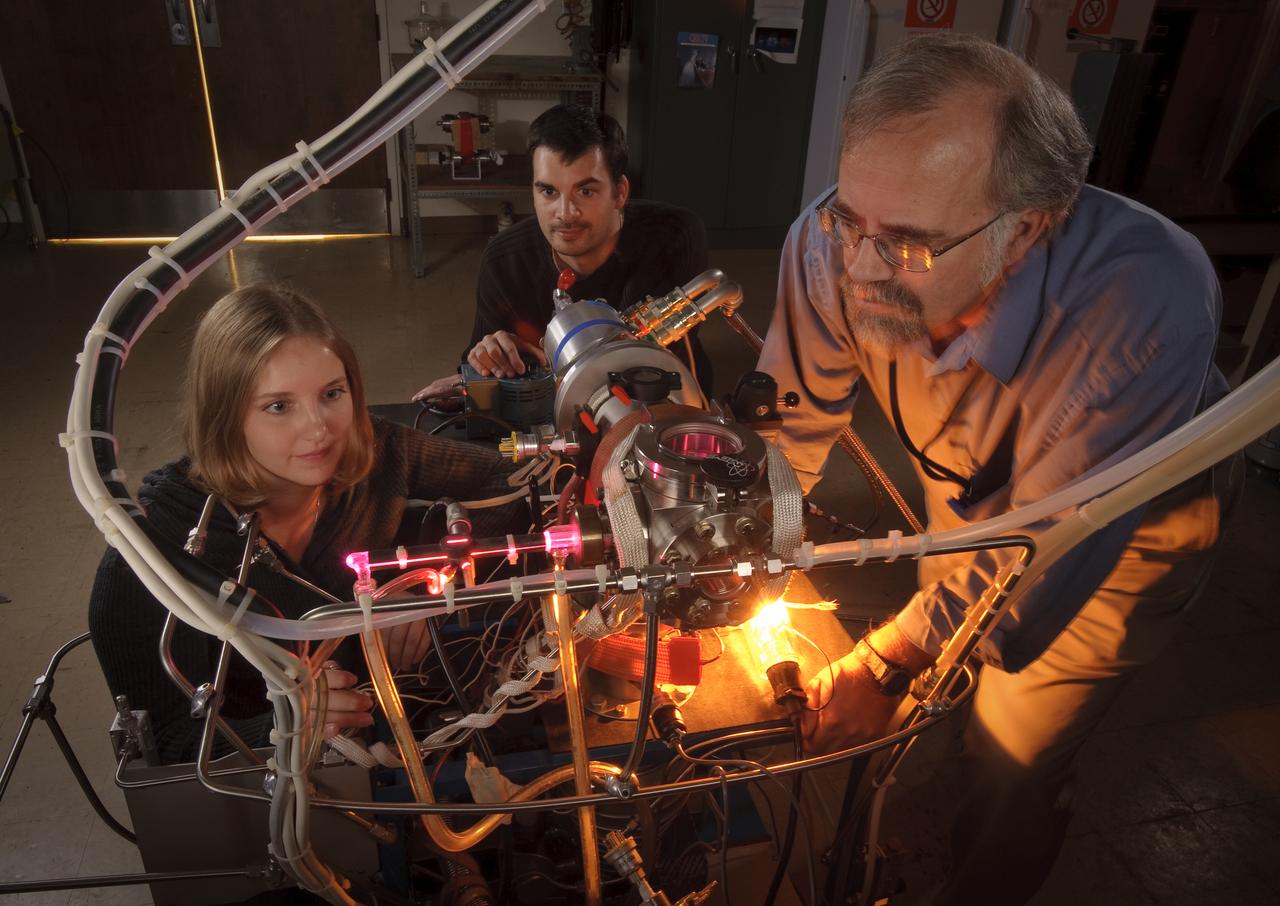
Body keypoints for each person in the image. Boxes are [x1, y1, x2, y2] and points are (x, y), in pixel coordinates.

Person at [757, 34, 1238, 905]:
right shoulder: (831, 239)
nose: (858, 269)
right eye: (851, 222)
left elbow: (1042, 553)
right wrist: (755, 543)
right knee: (938, 646)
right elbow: (791, 431)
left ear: (1025, 228)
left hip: (1123, 528)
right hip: (976, 486)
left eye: (906, 246)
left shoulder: (1145, 300)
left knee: (1013, 741)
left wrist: (884, 666)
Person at [90, 285, 520, 763]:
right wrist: (284, 723)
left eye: (331, 394)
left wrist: (428, 585)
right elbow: (160, 742)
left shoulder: (375, 451)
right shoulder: (151, 558)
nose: (318, 429)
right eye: (279, 406)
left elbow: (508, 480)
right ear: (223, 414)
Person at [413, 104, 712, 400]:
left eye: (585, 191)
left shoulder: (675, 237)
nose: (565, 213)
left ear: (620, 192)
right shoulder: (504, 262)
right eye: (549, 191)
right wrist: (485, 361)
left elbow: (664, 364)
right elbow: (481, 367)